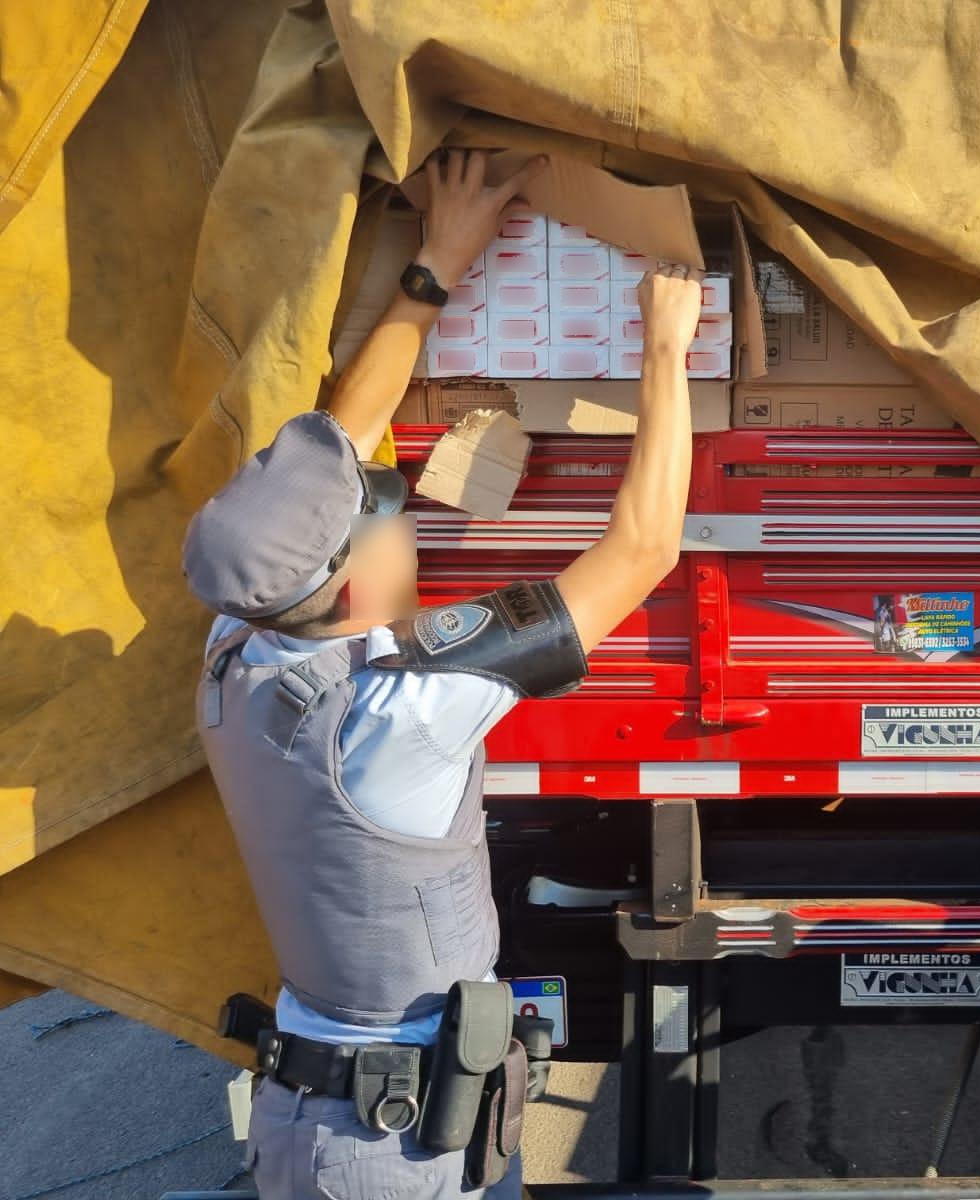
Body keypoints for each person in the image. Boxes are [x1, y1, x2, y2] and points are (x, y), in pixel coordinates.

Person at [182, 149, 705, 1199]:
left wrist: (438, 261)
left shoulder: (239, 639)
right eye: (387, 517)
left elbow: (346, 432)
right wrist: (664, 350)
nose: (402, 509)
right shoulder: (394, 722)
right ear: (355, 591)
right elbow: (641, 552)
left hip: (339, 1119)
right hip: (392, 1156)